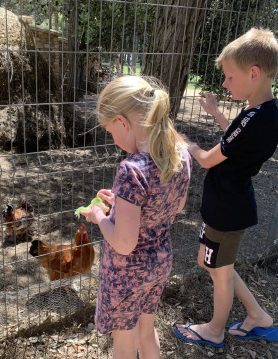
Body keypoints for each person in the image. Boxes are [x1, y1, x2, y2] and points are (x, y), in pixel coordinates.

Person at [175, 27, 278, 348]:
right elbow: (236, 139)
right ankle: (257, 317)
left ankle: (214, 330)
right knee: (212, 263)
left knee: (219, 272)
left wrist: (185, 142)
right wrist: (217, 113)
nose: (224, 83)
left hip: (227, 209)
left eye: (229, 77)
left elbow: (209, 160)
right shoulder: (264, 109)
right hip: (229, 204)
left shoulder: (255, 117)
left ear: (254, 73)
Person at [81, 75, 191, 359]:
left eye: (110, 131)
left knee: (125, 345)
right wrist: (121, 204)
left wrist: (100, 217)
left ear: (122, 122)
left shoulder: (132, 169)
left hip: (127, 273)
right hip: (159, 263)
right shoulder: (178, 153)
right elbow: (175, 207)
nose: (114, 139)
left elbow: (124, 243)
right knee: (147, 332)